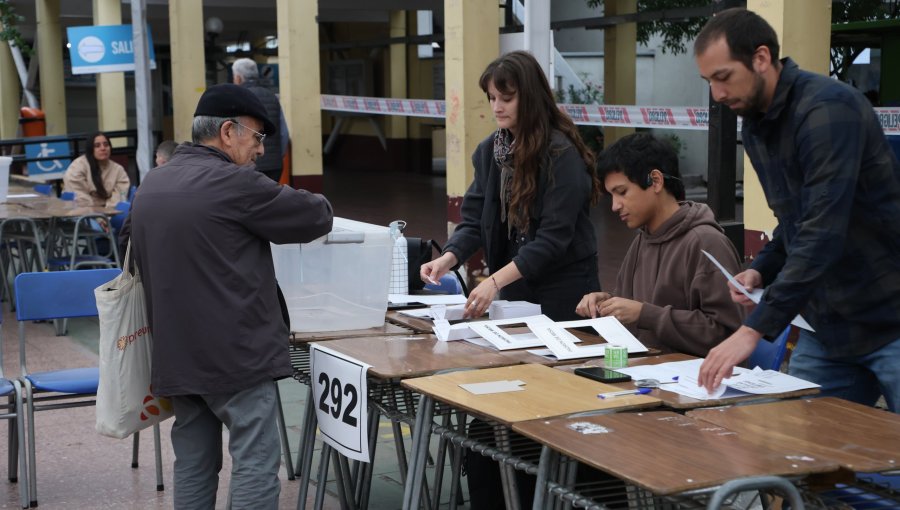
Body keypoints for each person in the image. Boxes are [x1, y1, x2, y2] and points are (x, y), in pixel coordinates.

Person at [130, 83, 333, 508]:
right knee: (256, 461)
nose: (260, 150)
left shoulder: (152, 184)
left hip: (176, 353)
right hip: (236, 355)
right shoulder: (232, 183)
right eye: (257, 137)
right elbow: (316, 215)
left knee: (193, 461)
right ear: (227, 132)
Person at [693, 8, 900, 411]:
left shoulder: (828, 109)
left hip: (891, 318)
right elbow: (795, 222)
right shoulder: (755, 123)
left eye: (723, 77)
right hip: (827, 327)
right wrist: (762, 268)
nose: (717, 95)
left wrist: (753, 329)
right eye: (709, 82)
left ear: (762, 58)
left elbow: (824, 230)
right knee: (803, 458)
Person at [420, 50, 602, 322]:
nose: (497, 107)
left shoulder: (561, 154)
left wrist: (493, 282)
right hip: (516, 284)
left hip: (566, 289)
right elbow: (474, 220)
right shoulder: (490, 152)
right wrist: (447, 258)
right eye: (492, 98)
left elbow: (552, 239)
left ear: (530, 97)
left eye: (507, 98)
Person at [575, 133, 743, 357]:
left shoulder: (706, 243)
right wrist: (606, 303)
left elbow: (728, 335)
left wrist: (646, 315)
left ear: (655, 181)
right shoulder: (642, 240)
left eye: (622, 192)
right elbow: (634, 307)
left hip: (695, 383)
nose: (614, 206)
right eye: (611, 195)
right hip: (646, 374)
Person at [232, 58, 285, 182]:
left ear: (238, 78)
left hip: (248, 164)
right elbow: (283, 132)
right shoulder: (272, 96)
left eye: (234, 77)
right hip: (274, 165)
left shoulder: (237, 97)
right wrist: (277, 156)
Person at [62, 131, 130, 207]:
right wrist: (95, 215)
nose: (103, 148)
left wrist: (107, 213)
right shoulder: (78, 166)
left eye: (106, 145)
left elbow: (119, 197)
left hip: (109, 213)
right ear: (90, 149)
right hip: (83, 213)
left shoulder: (118, 170)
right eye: (97, 146)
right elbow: (79, 197)